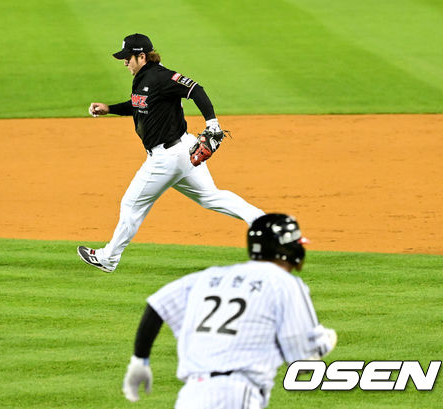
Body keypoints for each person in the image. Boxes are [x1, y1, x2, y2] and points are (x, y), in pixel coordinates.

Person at [77, 33, 264, 273]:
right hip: (183, 152)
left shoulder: (162, 76)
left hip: (166, 158)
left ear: (141, 56)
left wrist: (212, 124)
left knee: (132, 204)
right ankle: (263, 222)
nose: (125, 62)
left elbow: (196, 89)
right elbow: (139, 104)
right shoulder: (143, 77)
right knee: (210, 197)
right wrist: (109, 109)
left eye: (128, 57)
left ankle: (108, 258)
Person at [121, 213, 338, 409]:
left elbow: (158, 304)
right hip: (234, 395)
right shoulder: (284, 283)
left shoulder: (209, 276)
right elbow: (303, 362)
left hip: (190, 396)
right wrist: (327, 340)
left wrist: (140, 360)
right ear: (290, 250)